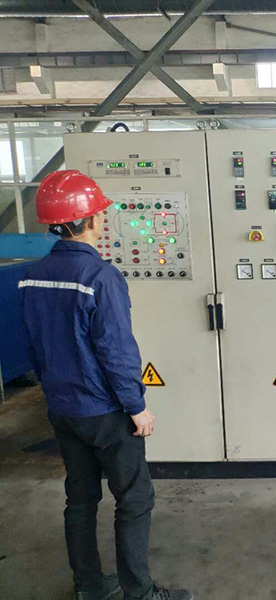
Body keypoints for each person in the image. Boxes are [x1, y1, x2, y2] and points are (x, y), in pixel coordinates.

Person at [19, 170, 192, 600]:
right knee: (134, 499)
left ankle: (90, 586)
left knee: (80, 500)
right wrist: (136, 407)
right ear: (91, 219)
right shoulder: (100, 277)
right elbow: (116, 351)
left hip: (63, 410)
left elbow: (35, 346)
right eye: (99, 212)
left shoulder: (31, 276)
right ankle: (139, 592)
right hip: (106, 413)